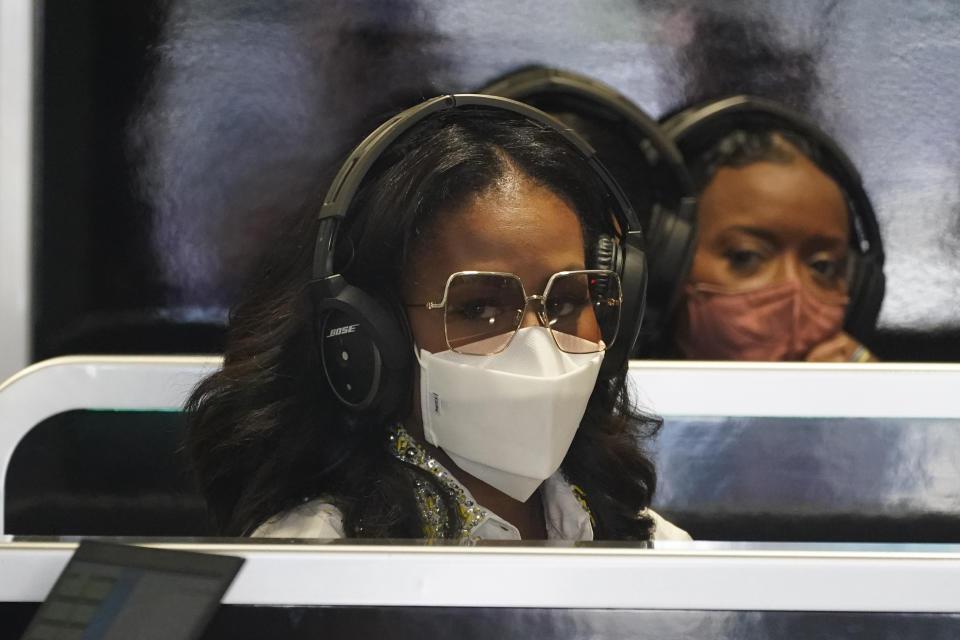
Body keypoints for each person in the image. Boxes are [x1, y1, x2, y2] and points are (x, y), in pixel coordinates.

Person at [184, 95, 690, 542]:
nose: (538, 344)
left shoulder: (654, 551)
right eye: (480, 307)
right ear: (370, 338)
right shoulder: (314, 566)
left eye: (562, 303)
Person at [660, 96, 886, 362]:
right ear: (664, 266)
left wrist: (875, 395)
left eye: (822, 266)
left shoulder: (863, 399)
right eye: (746, 256)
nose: (793, 291)